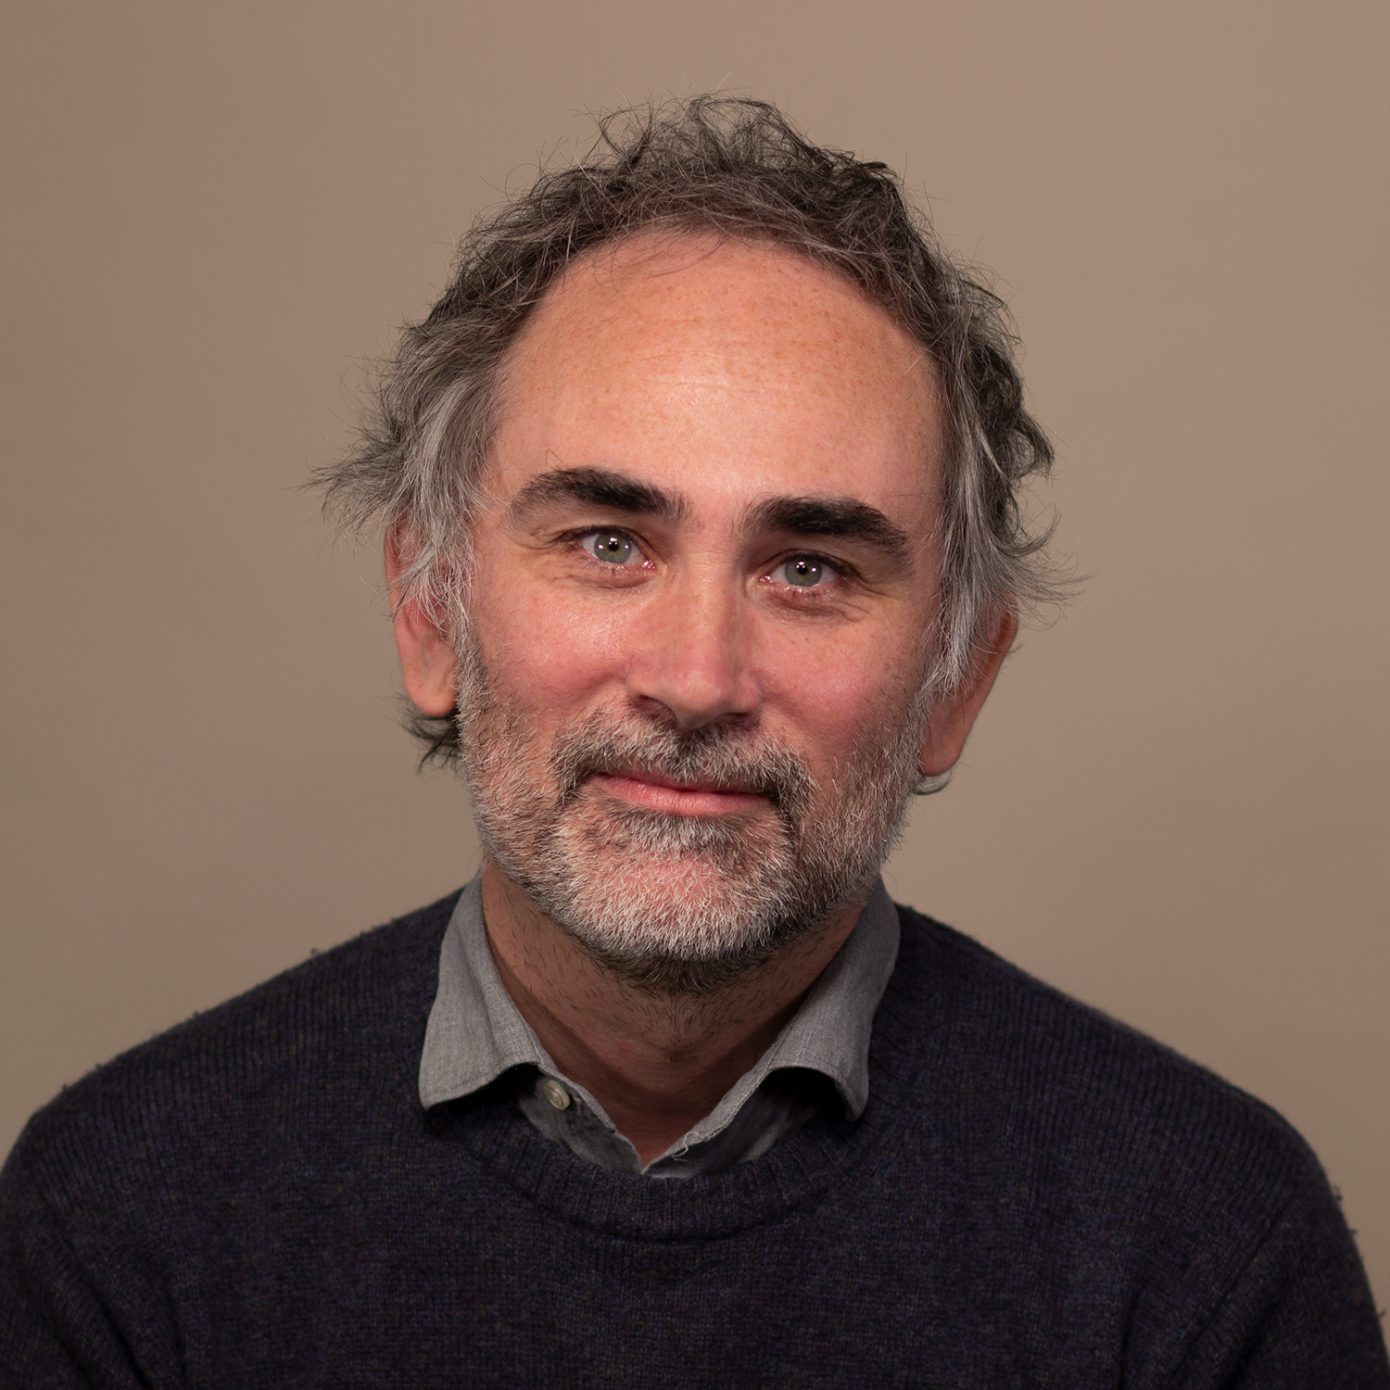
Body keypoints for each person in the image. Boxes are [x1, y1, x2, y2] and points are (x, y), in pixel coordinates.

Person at [2, 97, 1385, 1387]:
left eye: (809, 569)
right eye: (608, 543)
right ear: (430, 612)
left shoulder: (1208, 1247)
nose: (695, 679)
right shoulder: (116, 1223)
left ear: (956, 680)